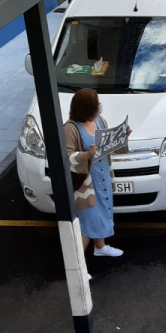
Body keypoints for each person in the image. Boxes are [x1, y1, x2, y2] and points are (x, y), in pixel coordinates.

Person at [64, 88, 122, 258]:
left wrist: (121, 136)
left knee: (101, 213)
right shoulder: (70, 128)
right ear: (86, 108)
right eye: (96, 104)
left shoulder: (100, 121)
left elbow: (108, 144)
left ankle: (100, 247)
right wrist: (87, 155)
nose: (100, 106)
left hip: (102, 177)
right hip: (87, 183)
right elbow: (67, 158)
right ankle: (78, 266)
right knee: (89, 222)